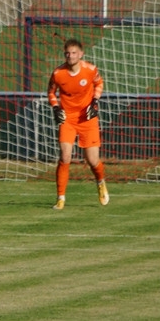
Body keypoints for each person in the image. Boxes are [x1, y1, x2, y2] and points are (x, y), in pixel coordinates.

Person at [47, 38, 109, 210]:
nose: (71, 56)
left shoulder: (90, 70)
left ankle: (100, 182)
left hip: (87, 119)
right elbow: (51, 92)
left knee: (92, 160)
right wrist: (55, 107)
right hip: (67, 119)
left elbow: (99, 83)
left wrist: (95, 102)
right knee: (65, 156)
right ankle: (60, 198)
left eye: (74, 53)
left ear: (81, 54)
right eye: (67, 53)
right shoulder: (58, 73)